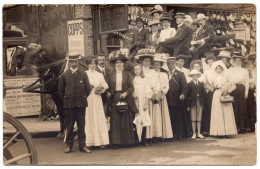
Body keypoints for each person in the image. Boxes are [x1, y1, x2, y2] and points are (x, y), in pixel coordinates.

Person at [58, 54, 92, 153]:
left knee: (81, 126)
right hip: (69, 105)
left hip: (81, 104)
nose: (74, 64)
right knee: (69, 126)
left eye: (76, 62)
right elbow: (60, 91)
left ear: (78, 62)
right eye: (72, 62)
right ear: (69, 63)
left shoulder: (83, 74)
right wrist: (67, 100)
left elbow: (88, 89)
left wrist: (82, 97)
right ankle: (69, 145)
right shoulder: (64, 75)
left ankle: (82, 145)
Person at [107, 51, 138, 149]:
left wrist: (126, 93)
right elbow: (106, 86)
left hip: (125, 97)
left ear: (123, 64)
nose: (118, 64)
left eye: (120, 62)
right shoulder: (110, 74)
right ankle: (116, 142)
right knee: (116, 120)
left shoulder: (128, 74)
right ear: (114, 64)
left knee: (126, 119)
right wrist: (108, 92)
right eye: (116, 62)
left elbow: (131, 87)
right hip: (115, 97)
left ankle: (128, 141)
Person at [136, 49, 162, 142]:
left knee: (153, 116)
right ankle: (145, 137)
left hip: (152, 95)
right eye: (145, 60)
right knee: (144, 115)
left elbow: (157, 83)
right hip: (143, 96)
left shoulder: (153, 71)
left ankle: (153, 135)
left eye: (148, 60)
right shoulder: (139, 70)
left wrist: (155, 92)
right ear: (141, 61)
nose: (147, 62)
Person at [85, 57, 109, 148]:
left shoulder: (99, 75)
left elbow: (106, 85)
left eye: (94, 64)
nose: (92, 65)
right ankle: (89, 142)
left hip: (97, 98)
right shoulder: (85, 74)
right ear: (88, 65)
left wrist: (101, 90)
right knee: (89, 118)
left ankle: (100, 142)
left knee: (98, 118)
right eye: (90, 63)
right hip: (88, 98)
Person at [208, 61, 237, 137]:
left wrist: (227, 91)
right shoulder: (213, 77)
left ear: (222, 68)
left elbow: (234, 86)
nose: (218, 69)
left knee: (226, 112)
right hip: (216, 94)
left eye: (220, 68)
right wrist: (205, 84)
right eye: (216, 68)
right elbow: (211, 89)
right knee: (217, 112)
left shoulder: (227, 76)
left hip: (225, 94)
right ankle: (219, 132)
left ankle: (227, 132)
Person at [166, 57, 188, 140]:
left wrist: (183, 94)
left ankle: (179, 134)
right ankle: (172, 134)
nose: (171, 65)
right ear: (167, 65)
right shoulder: (165, 73)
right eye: (169, 64)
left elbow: (185, 87)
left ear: (175, 64)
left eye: (172, 64)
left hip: (178, 99)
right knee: (170, 117)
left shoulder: (180, 74)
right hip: (167, 99)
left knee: (178, 117)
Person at [153, 54, 173, 140]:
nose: (156, 66)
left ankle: (164, 134)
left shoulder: (164, 74)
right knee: (155, 115)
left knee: (163, 114)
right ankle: (156, 134)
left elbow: (167, 86)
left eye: (158, 64)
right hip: (154, 95)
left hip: (162, 95)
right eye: (155, 64)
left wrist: (163, 93)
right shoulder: (151, 73)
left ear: (160, 65)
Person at [228, 55, 249, 134]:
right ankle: (235, 127)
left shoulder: (244, 70)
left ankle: (242, 127)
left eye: (239, 60)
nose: (238, 62)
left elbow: (246, 81)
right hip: (233, 88)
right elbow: (228, 80)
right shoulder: (230, 70)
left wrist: (246, 91)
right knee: (234, 107)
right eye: (236, 60)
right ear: (233, 61)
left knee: (242, 107)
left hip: (241, 88)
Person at [132, 63, 152, 146]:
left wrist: (146, 103)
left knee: (144, 119)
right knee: (135, 119)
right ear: (133, 71)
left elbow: (148, 91)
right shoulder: (132, 80)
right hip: (135, 101)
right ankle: (136, 139)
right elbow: (131, 89)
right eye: (135, 69)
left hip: (143, 101)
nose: (137, 71)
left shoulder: (144, 79)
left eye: (138, 69)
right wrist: (133, 95)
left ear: (141, 70)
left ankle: (143, 139)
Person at [187, 69, 206, 139]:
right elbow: (187, 96)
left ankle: (199, 133)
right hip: (192, 103)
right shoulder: (189, 84)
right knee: (193, 118)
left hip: (200, 102)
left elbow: (203, 95)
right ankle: (194, 133)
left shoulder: (201, 84)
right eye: (193, 75)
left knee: (199, 118)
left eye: (196, 75)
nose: (195, 76)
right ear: (191, 76)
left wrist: (203, 104)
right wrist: (188, 105)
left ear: (198, 76)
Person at [202, 55, 216, 135]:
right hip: (210, 92)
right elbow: (203, 81)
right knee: (210, 109)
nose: (210, 63)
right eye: (209, 62)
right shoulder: (206, 72)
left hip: (217, 90)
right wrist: (208, 87)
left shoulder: (218, 70)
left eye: (212, 61)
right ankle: (209, 129)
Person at [245, 53, 256, 132]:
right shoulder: (244, 71)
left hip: (255, 90)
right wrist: (249, 84)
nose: (249, 65)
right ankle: (250, 126)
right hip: (247, 91)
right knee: (249, 108)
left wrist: (254, 84)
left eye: (251, 63)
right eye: (248, 63)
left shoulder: (255, 71)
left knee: (255, 108)